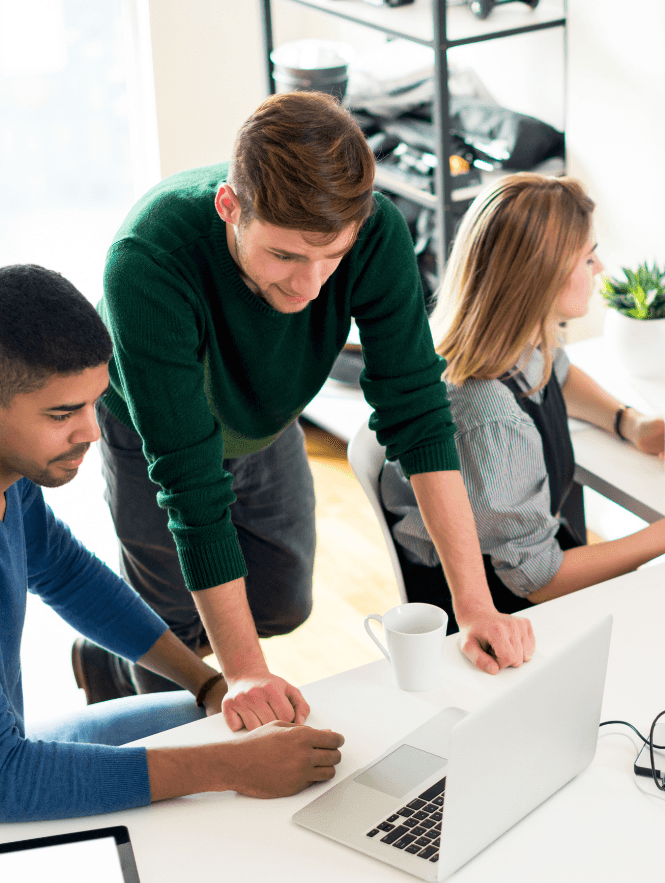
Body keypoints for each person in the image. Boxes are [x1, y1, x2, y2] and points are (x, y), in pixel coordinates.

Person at [0, 265, 344, 843]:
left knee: (244, 726)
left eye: (93, 404)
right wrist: (230, 770)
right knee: (229, 784)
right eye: (62, 415)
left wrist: (207, 684)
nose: (92, 432)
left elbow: (67, 573)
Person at [82, 91, 533, 723]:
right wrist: (243, 676)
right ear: (229, 207)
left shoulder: (375, 232)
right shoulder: (148, 260)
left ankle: (153, 647)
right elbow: (190, 483)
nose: (311, 285)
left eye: (333, 256)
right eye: (285, 255)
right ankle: (133, 669)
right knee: (172, 633)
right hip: (151, 429)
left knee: (283, 602)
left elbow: (420, 417)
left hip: (263, 415)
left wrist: (475, 606)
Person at [381, 174, 665, 625]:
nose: (599, 269)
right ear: (540, 278)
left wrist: (628, 423)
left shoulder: (515, 343)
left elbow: (562, 376)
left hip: (534, 569)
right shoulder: (491, 417)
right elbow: (540, 581)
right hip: (508, 616)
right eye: (588, 257)